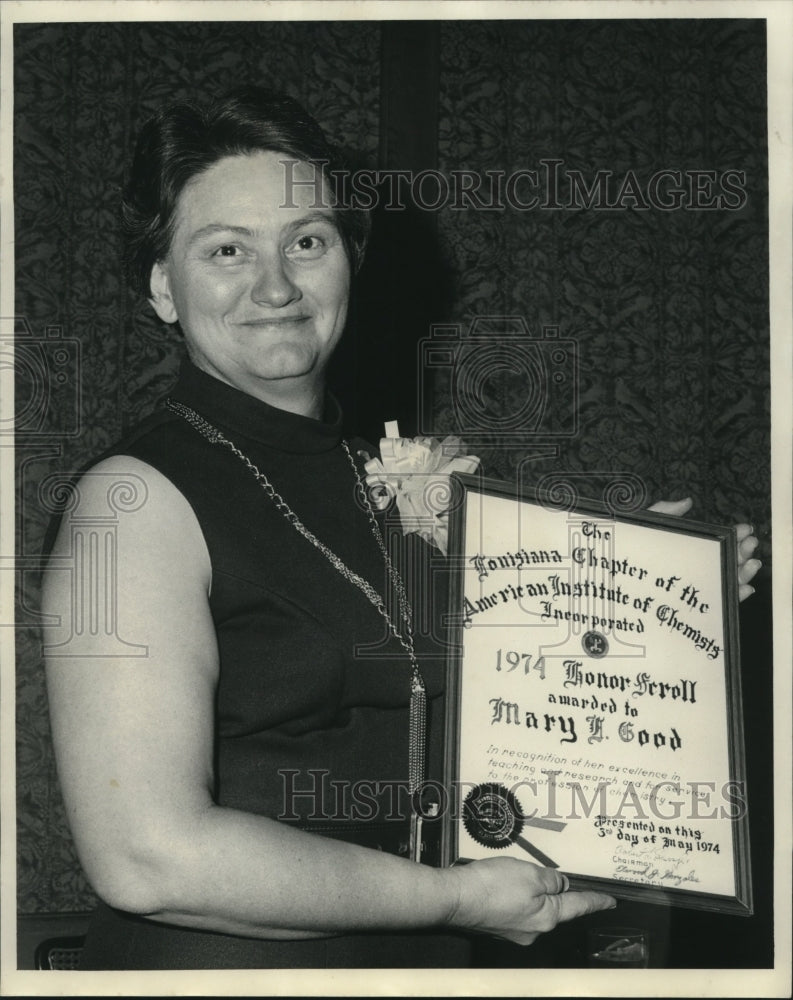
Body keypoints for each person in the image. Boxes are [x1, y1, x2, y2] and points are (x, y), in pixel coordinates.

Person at [42, 87, 761, 970]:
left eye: (306, 241)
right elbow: (147, 856)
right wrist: (454, 897)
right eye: (225, 250)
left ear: (348, 257)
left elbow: (489, 715)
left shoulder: (390, 479)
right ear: (162, 285)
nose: (274, 284)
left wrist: (642, 594)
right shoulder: (134, 503)